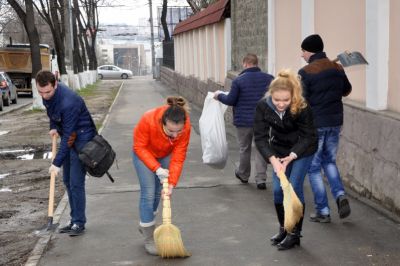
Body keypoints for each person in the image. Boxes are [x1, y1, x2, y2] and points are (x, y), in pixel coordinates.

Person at [254, 69, 317, 250]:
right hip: (278, 151)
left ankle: (294, 234)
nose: (281, 104)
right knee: (277, 191)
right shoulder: (263, 106)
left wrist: (292, 156)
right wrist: (273, 160)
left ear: (293, 96)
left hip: (302, 150)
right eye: (277, 100)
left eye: (286, 100)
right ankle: (284, 228)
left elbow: (309, 136)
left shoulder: (303, 107)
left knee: (294, 188)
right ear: (270, 96)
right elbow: (260, 137)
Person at [298, 34, 352, 223]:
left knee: (313, 168)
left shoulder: (306, 72)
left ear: (310, 51)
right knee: (329, 161)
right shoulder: (337, 68)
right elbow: (346, 90)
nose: (302, 55)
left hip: (316, 124)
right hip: (335, 122)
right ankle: (339, 195)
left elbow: (302, 100)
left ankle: (323, 210)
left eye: (303, 51)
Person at [36, 70, 97, 236]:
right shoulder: (48, 93)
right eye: (40, 92)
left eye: (47, 92)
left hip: (82, 137)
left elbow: (69, 134)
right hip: (69, 135)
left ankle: (79, 222)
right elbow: (52, 111)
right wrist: (53, 126)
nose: (44, 96)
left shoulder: (68, 102)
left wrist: (56, 163)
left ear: (55, 84)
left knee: (76, 182)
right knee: (68, 181)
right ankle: (74, 219)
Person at [132, 96, 191, 255]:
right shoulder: (148, 119)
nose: (174, 135)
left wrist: (171, 183)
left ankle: (145, 223)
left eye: (178, 131)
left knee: (161, 191)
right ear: (163, 122)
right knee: (149, 191)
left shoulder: (185, 126)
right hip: (143, 153)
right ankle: (149, 237)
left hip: (165, 153)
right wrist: (157, 169)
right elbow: (139, 146)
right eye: (170, 131)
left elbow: (179, 155)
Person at [214, 53, 274, 189]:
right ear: (256, 63)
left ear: (245, 63)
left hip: (243, 121)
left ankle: (243, 175)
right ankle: (261, 179)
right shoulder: (269, 78)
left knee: (244, 148)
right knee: (261, 148)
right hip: (263, 120)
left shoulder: (239, 80)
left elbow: (230, 100)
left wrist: (219, 96)